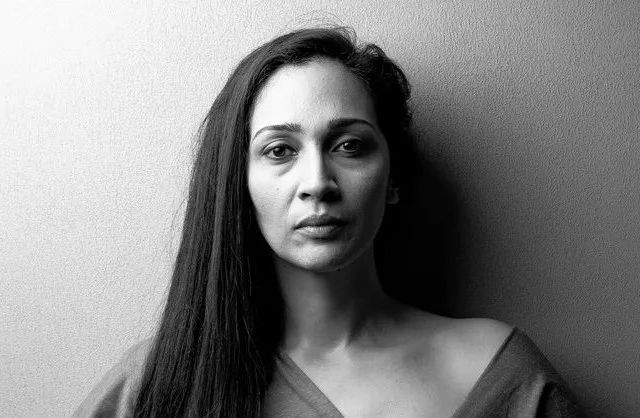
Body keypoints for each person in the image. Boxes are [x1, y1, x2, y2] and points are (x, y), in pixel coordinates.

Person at [74, 27, 582, 417]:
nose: (318, 181)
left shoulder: (501, 374)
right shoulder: (161, 379)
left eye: (349, 145)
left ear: (395, 177)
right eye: (279, 150)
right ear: (237, 183)